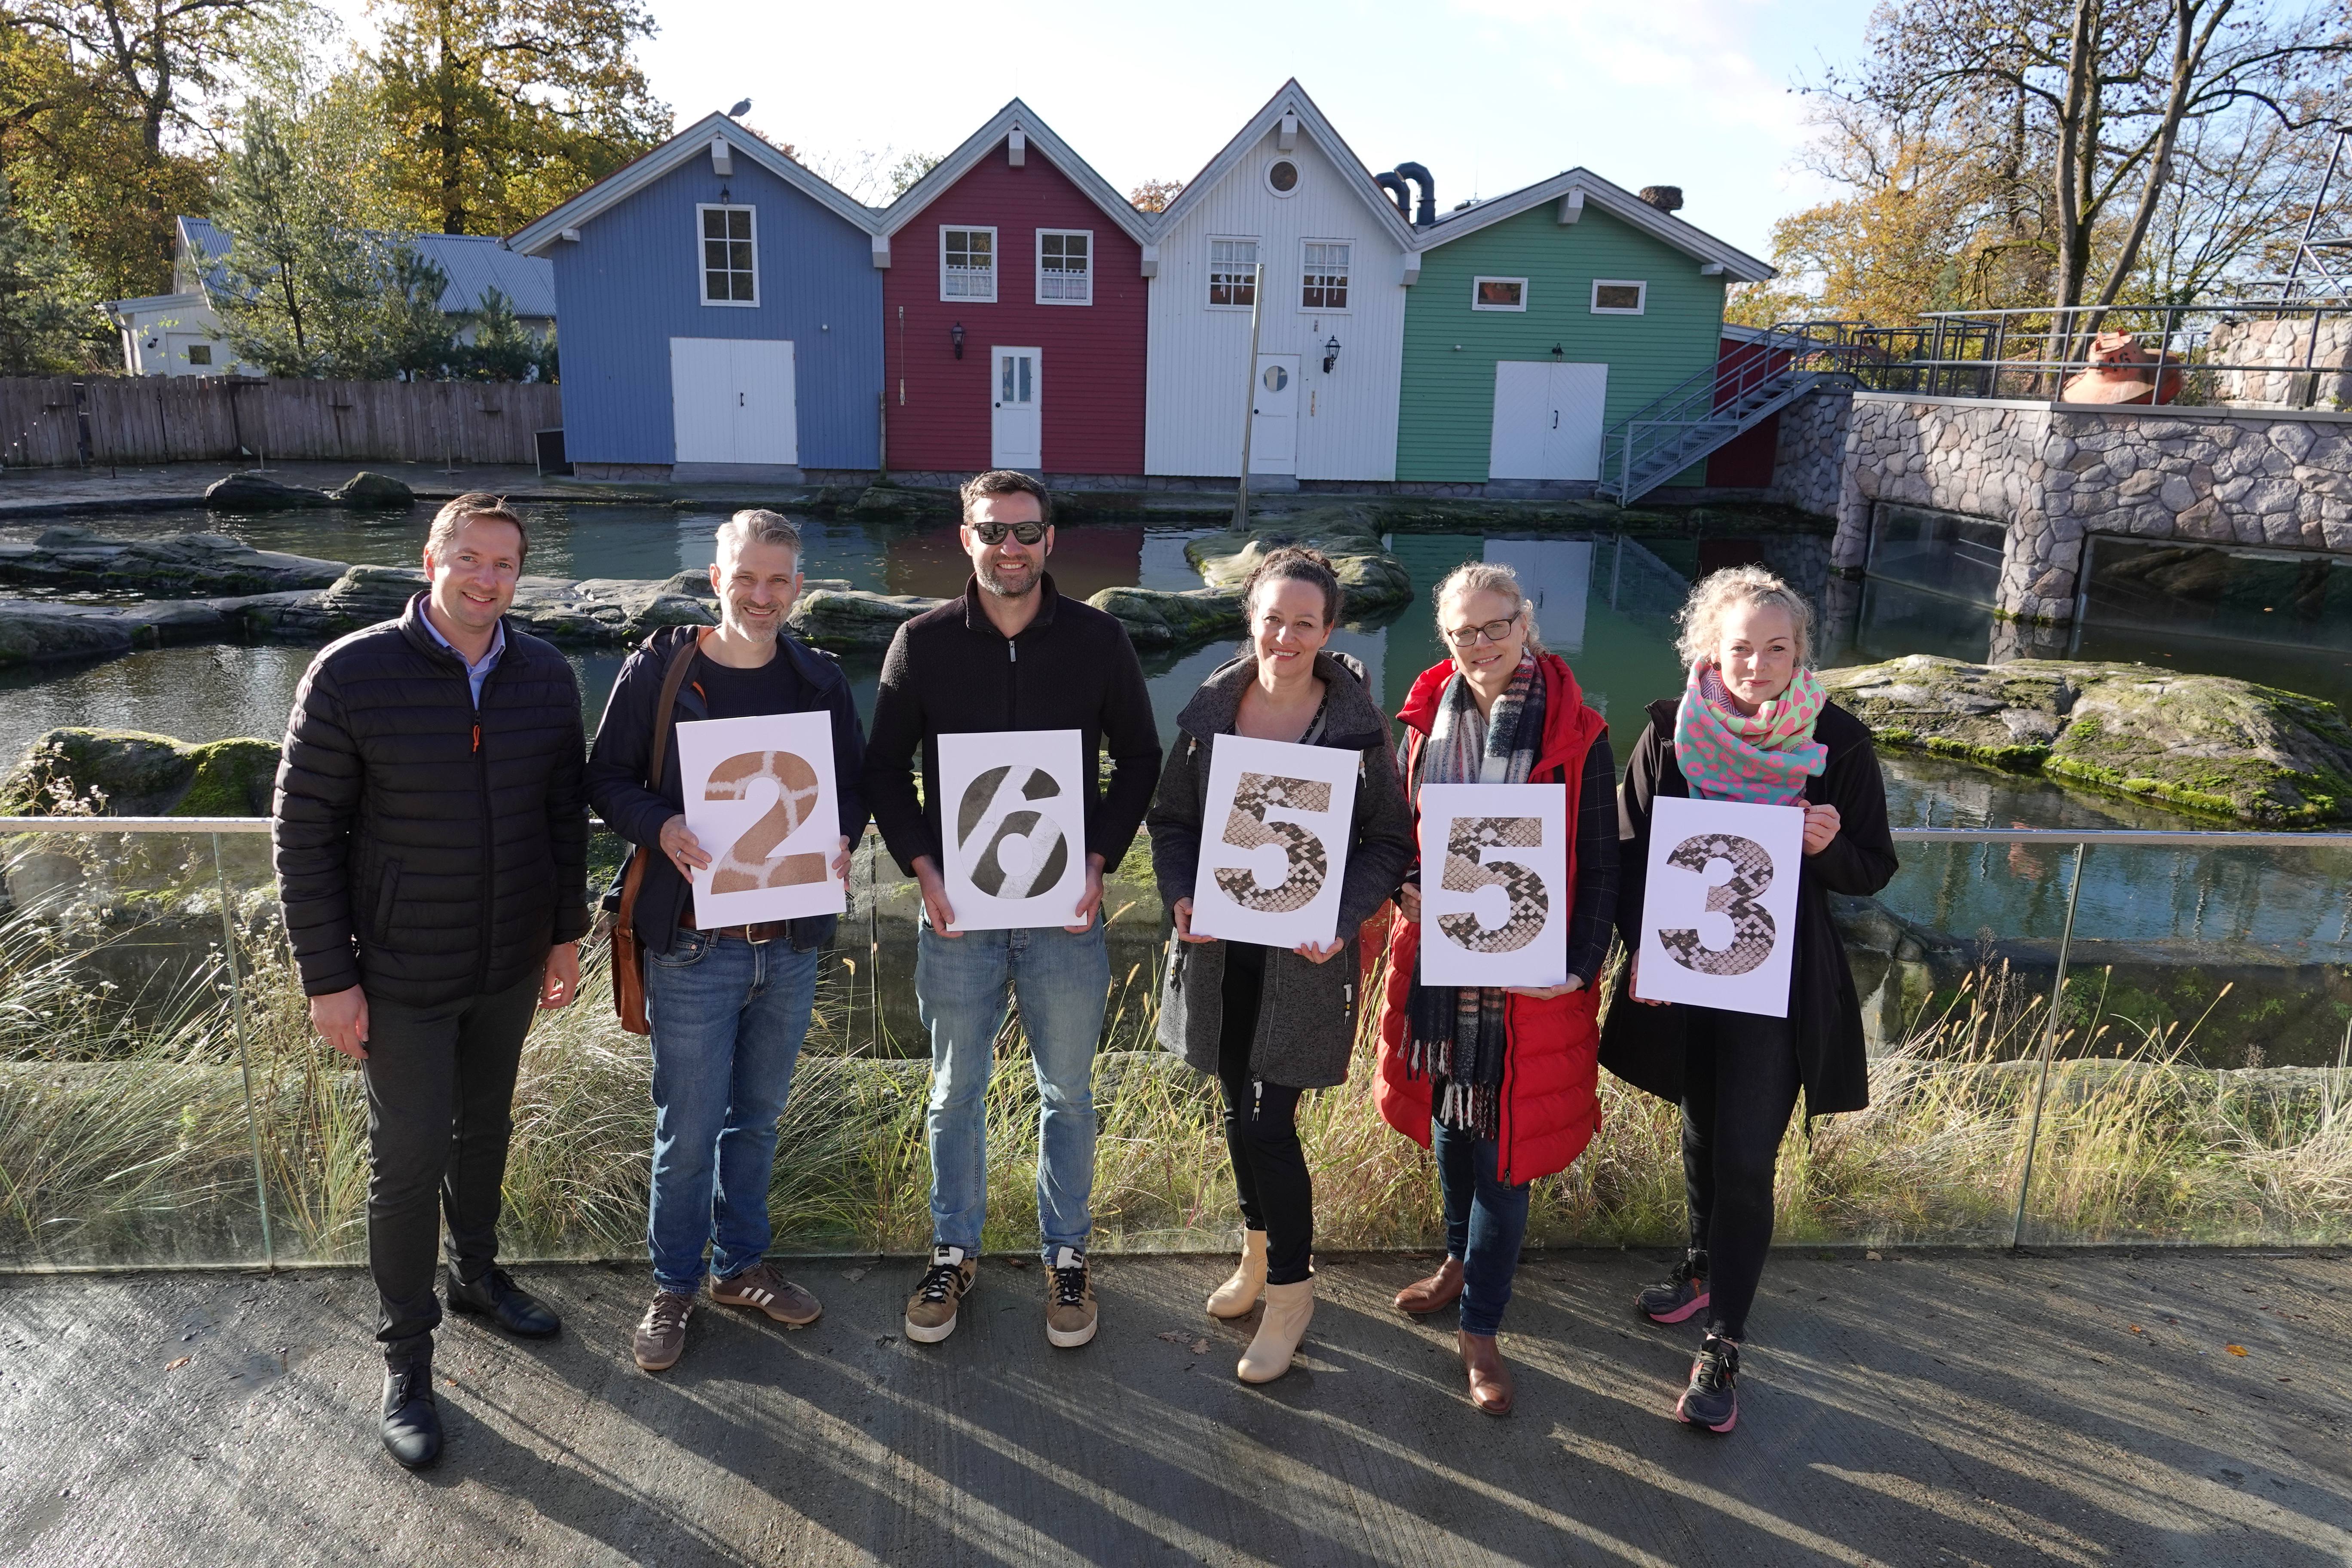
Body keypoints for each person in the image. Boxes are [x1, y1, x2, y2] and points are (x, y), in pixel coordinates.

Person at [273, 493, 588, 1471]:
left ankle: (478, 1279)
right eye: (471, 558)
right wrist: (330, 980)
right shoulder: (352, 670)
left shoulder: (544, 674)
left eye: (506, 565)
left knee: (484, 1130)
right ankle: (408, 1360)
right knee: (405, 1164)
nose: (488, 580)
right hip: (401, 973)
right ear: (431, 559)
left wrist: (564, 936)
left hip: (505, 965)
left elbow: (563, 820)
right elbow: (304, 835)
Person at [861, 469, 1161, 1349]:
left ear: (1050, 539)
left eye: (1027, 532)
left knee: (1067, 1091)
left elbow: (1140, 759)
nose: (1011, 548)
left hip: (1065, 908)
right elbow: (884, 768)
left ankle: (1067, 1257)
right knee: (955, 1091)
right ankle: (955, 1249)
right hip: (958, 911)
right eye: (993, 531)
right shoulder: (920, 643)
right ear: (966, 539)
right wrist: (922, 866)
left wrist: (1099, 857)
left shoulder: (1100, 642)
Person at [1605, 564, 1896, 1435]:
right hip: (1685, 972)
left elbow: (1872, 868)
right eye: (1742, 647)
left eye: (1778, 649)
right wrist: (1643, 953)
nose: (1758, 664)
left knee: (1744, 1154)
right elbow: (1628, 847)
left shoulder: (1837, 743)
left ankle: (1725, 1345)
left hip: (1780, 981)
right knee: (1698, 1126)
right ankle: (1700, 1270)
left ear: (1801, 653)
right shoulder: (1668, 732)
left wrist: (1828, 845)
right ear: (1710, 649)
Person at [586, 510, 867, 1374]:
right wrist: (662, 824)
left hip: (787, 944)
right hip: (693, 949)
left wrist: (844, 841)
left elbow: (850, 791)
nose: (762, 595)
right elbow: (603, 779)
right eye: (746, 578)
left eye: (779, 580)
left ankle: (740, 1268)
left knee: (759, 1121)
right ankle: (673, 1283)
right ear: (717, 579)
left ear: (799, 587)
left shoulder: (817, 676)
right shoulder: (660, 670)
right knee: (689, 1128)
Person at [1145, 547, 1414, 1384]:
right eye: (1273, 618)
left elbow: (1388, 842)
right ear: (1250, 619)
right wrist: (1183, 893)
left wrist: (1341, 919)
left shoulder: (1356, 726)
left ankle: (1293, 1296)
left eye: (1306, 622)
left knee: (1270, 1123)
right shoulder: (1210, 714)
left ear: (1329, 629)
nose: (1286, 635)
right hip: (1222, 952)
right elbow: (1171, 820)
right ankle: (1255, 1262)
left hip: (1305, 957)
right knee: (1234, 1109)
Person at [1375, 560, 1617, 1416]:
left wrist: (1580, 969)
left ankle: (1482, 1328)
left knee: (1504, 1157)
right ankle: (1454, 1260)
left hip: (1525, 981)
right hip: (1441, 967)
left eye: (1496, 626)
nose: (1481, 646)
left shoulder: (1579, 732)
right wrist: (1405, 878)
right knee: (1451, 1120)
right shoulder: (1419, 725)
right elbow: (1398, 832)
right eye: (1463, 632)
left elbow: (1599, 869)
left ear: (1526, 623)